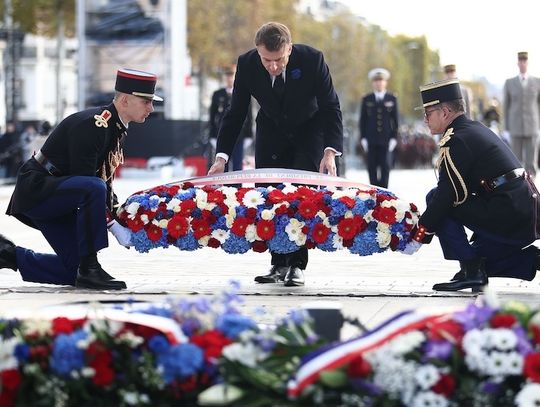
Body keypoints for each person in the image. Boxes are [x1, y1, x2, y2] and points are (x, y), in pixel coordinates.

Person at [208, 21, 343, 287]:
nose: (272, 66)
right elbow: (235, 114)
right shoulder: (247, 64)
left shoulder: (313, 60)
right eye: (266, 60)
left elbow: (331, 107)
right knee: (269, 195)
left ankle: (296, 265)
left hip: (308, 130)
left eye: (278, 60)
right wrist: (221, 158)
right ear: (257, 52)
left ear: (289, 49)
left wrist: (330, 152)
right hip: (271, 130)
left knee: (299, 196)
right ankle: (278, 263)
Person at [0, 68, 162, 290]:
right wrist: (114, 226)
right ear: (125, 100)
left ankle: (8, 255)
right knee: (91, 187)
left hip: (59, 195)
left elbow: (103, 180)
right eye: (146, 102)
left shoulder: (115, 128)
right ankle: (90, 267)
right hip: (39, 191)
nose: (151, 108)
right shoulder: (95, 125)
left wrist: (123, 216)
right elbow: (88, 183)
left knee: (72, 272)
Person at [404, 78, 540, 292]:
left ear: (445, 112)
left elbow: (445, 196)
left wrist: (419, 234)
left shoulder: (456, 140)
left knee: (435, 198)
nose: (425, 119)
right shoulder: (471, 129)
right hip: (521, 211)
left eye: (428, 113)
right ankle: (533, 260)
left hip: (509, 213)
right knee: (480, 258)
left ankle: (471, 270)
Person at [208, 65, 253, 172]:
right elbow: (212, 115)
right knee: (223, 164)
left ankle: (237, 188)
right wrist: (212, 135)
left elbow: (249, 115)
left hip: (239, 135)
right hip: (221, 133)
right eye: (227, 75)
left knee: (238, 164)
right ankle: (225, 188)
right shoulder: (218, 94)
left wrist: (249, 135)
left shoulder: (242, 92)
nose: (229, 78)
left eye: (231, 75)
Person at [359, 68, 398, 188]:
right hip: (371, 139)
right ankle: (374, 191)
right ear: (373, 83)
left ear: (385, 82)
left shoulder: (392, 98)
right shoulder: (367, 99)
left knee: (385, 166)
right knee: (372, 167)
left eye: (381, 80)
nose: (379, 83)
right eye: (376, 81)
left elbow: (395, 120)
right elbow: (363, 120)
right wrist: (363, 137)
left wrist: (394, 138)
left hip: (386, 139)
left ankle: (384, 193)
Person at [503, 51, 540, 178]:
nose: (523, 64)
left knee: (531, 162)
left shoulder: (537, 82)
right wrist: (506, 129)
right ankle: (519, 188)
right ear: (517, 63)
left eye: (525, 61)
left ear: (528, 63)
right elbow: (506, 107)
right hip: (515, 127)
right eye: (521, 61)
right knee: (516, 161)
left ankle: (533, 191)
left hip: (533, 126)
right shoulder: (509, 83)